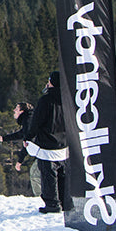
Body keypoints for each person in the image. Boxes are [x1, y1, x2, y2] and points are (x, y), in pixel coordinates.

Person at [24, 71, 71, 214]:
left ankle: (52, 204)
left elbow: (37, 121)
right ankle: (65, 202)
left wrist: (29, 137)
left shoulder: (46, 100)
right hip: (63, 144)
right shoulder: (68, 99)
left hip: (47, 145)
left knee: (48, 176)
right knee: (63, 175)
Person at [0, 102, 40, 198]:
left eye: (16, 108)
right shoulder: (29, 119)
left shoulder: (28, 121)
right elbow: (21, 134)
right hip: (46, 151)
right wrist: (3, 138)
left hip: (45, 152)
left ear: (22, 111)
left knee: (35, 174)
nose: (14, 110)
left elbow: (27, 141)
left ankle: (42, 200)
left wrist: (20, 160)